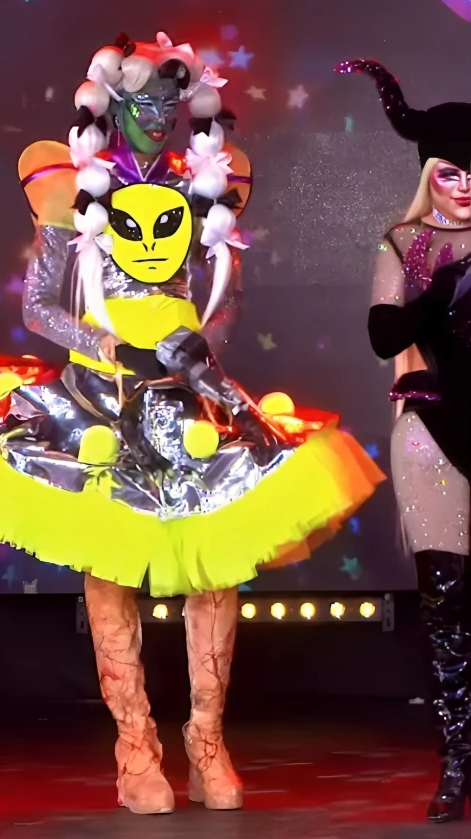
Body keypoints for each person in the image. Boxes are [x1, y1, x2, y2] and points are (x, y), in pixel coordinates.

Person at [0, 33, 383, 815]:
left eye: (169, 104)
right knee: (110, 563)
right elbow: (38, 306)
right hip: (101, 400)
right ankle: (135, 747)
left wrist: (196, 346)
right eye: (142, 103)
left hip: (186, 398)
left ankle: (208, 742)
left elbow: (224, 298)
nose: (157, 116)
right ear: (114, 106)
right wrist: (108, 345)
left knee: (215, 562)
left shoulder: (203, 185)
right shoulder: (76, 188)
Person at [337, 58, 471, 824]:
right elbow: (383, 333)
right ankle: (456, 762)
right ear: (429, 171)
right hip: (434, 431)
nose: (466, 186)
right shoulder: (405, 242)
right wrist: (439, 291)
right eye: (452, 171)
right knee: (446, 602)